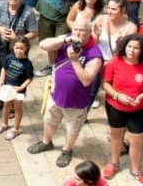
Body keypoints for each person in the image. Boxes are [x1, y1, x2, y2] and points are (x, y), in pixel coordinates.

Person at [27, 20, 104, 168]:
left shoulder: (94, 54)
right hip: (56, 95)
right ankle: (46, 142)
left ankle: (67, 150)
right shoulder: (67, 39)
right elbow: (43, 44)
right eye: (75, 30)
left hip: (77, 102)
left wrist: (74, 60)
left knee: (72, 128)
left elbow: (87, 80)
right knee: (49, 120)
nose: (78, 34)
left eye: (82, 31)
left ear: (89, 32)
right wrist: (63, 39)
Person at [101, 34, 143, 182]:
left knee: (137, 140)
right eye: (129, 47)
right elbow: (105, 83)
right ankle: (114, 163)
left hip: (138, 108)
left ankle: (136, 169)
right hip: (115, 106)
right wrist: (117, 96)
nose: (132, 51)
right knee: (116, 136)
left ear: (142, 50)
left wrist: (142, 96)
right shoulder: (115, 62)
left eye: (136, 48)